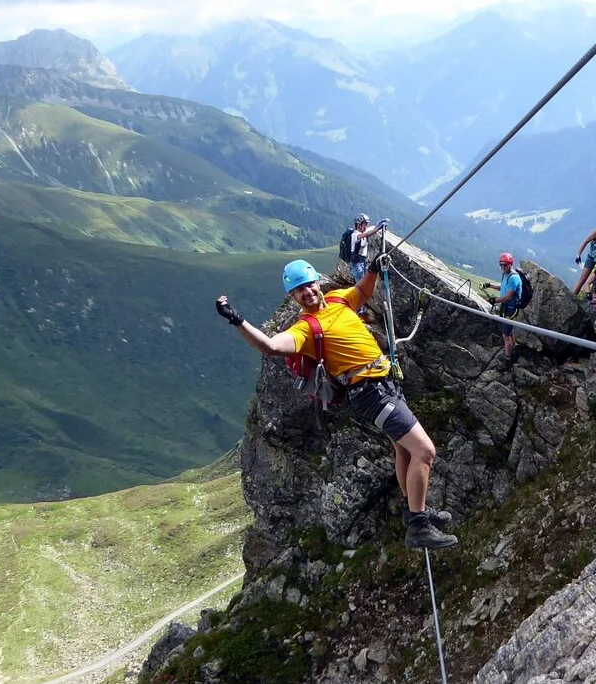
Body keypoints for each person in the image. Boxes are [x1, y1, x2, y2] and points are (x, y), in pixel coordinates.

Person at [215, 258, 457, 550]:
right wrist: (236, 319)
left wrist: (373, 270)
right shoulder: (305, 328)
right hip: (370, 393)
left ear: (317, 283)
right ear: (293, 297)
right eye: (299, 290)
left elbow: (363, 292)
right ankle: (419, 526)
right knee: (425, 451)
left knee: (403, 447)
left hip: (385, 384)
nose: (307, 292)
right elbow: (271, 346)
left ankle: (412, 510)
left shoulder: (338, 300)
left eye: (308, 285)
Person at [480, 252, 522, 369]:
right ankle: (514, 348)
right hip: (507, 307)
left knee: (505, 335)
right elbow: (502, 287)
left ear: (510, 264)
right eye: (501, 264)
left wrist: (495, 300)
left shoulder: (513, 278)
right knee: (509, 330)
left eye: (505, 265)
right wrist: (490, 285)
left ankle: (507, 359)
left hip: (511, 309)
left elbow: (508, 296)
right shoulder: (506, 275)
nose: (503, 267)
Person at [347, 213, 387, 283]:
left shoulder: (363, 231)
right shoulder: (354, 235)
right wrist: (378, 228)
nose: (366, 226)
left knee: (362, 283)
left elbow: (370, 229)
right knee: (361, 284)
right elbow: (366, 234)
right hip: (356, 264)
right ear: (359, 225)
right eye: (364, 224)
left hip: (362, 261)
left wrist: (378, 225)